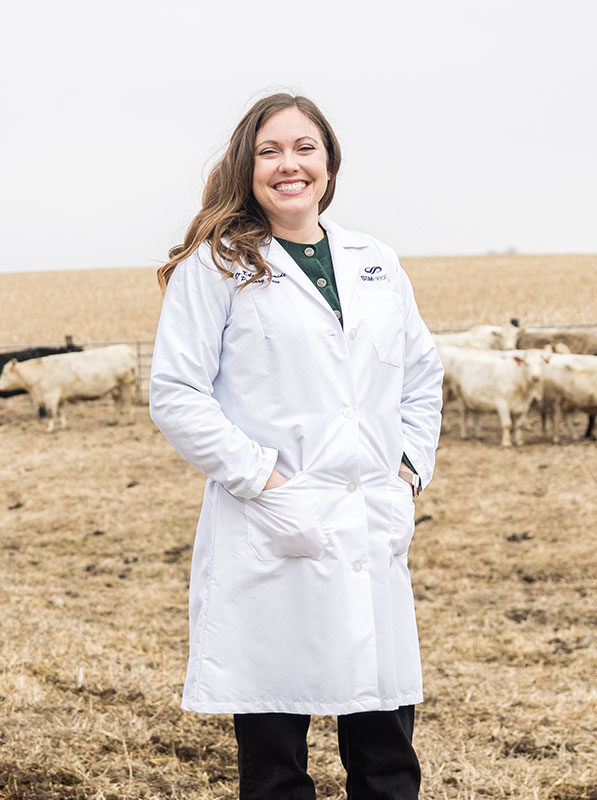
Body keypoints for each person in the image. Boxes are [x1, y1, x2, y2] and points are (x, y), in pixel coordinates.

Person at [148, 93, 443, 799]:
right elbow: (177, 394)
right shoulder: (216, 265)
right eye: (270, 151)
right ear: (246, 167)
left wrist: (407, 472)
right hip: (275, 523)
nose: (290, 165)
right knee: (277, 763)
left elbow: (422, 376)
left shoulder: (376, 262)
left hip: (369, 517)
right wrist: (264, 481)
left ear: (329, 160)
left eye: (305, 148)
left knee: (386, 755)